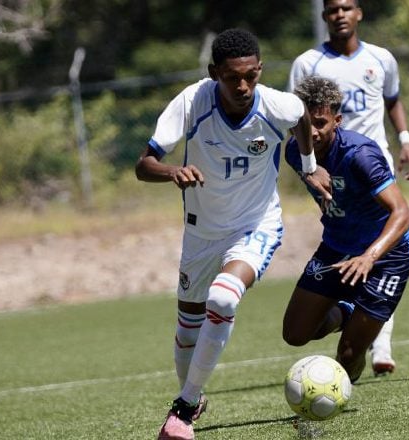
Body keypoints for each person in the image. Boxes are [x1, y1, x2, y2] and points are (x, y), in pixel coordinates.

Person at [135, 28, 331, 440]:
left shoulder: (279, 105)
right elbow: (144, 163)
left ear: (259, 70)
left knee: (224, 296)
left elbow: (301, 120)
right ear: (214, 73)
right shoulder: (192, 102)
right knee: (187, 331)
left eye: (250, 76)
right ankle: (193, 394)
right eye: (231, 77)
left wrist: (310, 166)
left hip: (255, 225)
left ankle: (184, 409)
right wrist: (173, 171)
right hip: (202, 234)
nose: (242, 86)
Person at [288, 0, 409, 376]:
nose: (311, 131)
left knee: (348, 357)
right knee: (296, 334)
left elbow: (403, 213)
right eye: (304, 123)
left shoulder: (363, 155)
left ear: (336, 120)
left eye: (320, 123)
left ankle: (364, 329)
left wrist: (369, 256)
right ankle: (348, 308)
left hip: (386, 251)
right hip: (337, 243)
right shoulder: (295, 151)